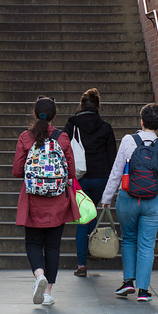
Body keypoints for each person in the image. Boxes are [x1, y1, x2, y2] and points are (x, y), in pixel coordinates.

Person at [101, 102, 158, 302]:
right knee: (147, 245)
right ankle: (143, 291)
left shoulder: (128, 141)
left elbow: (117, 171)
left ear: (141, 121)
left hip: (128, 198)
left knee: (128, 239)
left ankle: (128, 282)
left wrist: (107, 198)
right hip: (153, 201)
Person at [12, 96, 79, 305]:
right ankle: (48, 292)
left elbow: (16, 171)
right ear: (54, 116)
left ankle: (39, 275)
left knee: (32, 242)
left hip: (33, 200)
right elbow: (71, 172)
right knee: (53, 246)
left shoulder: (25, 137)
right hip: (58, 201)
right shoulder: (63, 138)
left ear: (34, 114)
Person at [63, 88, 117, 278]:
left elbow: (63, 150)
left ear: (81, 105)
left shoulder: (71, 125)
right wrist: (112, 185)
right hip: (101, 178)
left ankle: (82, 265)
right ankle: (93, 249)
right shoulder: (105, 127)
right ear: (97, 106)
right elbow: (113, 158)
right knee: (92, 211)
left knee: (82, 219)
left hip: (80, 178)